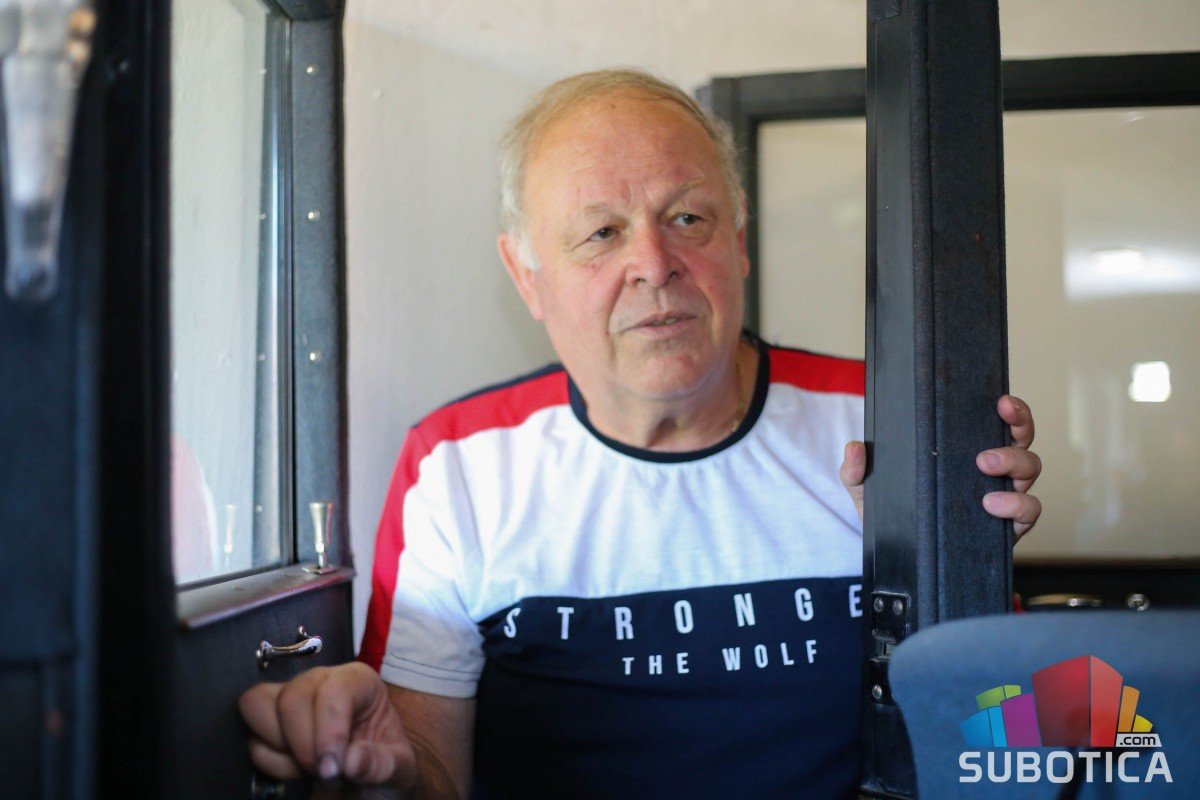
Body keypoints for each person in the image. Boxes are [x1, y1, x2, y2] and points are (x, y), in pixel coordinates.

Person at [240, 69, 1042, 799]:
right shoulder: (458, 466)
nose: (654, 264)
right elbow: (430, 771)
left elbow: (1003, 742)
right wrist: (382, 773)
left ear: (738, 241)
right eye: (601, 233)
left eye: (688, 217)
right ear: (527, 276)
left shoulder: (885, 424)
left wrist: (947, 578)